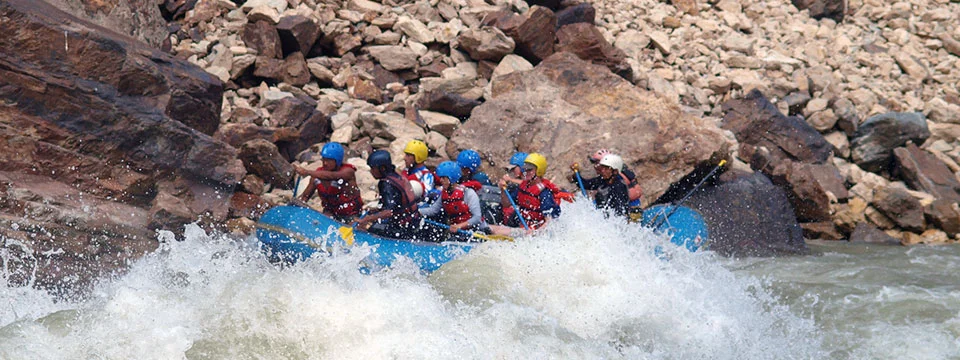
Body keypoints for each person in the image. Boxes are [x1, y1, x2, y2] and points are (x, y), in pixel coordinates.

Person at [354, 150, 426, 240]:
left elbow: (389, 212)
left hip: (403, 229)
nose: (371, 171)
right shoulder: (397, 176)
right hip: (415, 222)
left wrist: (367, 219)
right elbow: (396, 205)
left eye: (373, 168)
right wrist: (374, 211)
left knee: (366, 228)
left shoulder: (386, 184)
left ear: (382, 168)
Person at [293, 142, 363, 223]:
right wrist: (296, 206)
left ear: (337, 161)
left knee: (353, 224)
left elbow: (333, 176)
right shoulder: (317, 175)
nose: (325, 163)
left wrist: (307, 172)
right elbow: (305, 197)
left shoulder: (348, 172)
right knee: (326, 217)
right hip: (330, 213)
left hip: (351, 215)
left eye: (329, 160)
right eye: (324, 159)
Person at [419, 161, 490, 240]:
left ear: (452, 178)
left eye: (443, 178)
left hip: (478, 231)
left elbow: (477, 218)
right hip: (461, 232)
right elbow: (433, 210)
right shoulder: (444, 194)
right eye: (440, 178)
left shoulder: (468, 193)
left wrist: (459, 226)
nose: (441, 180)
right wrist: (416, 211)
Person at [499, 153, 560, 230]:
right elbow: (506, 204)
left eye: (529, 169)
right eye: (525, 169)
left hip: (534, 230)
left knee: (496, 230)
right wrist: (503, 190)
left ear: (539, 171)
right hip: (522, 224)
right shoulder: (523, 187)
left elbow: (549, 222)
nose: (526, 172)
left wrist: (534, 233)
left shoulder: (544, 193)